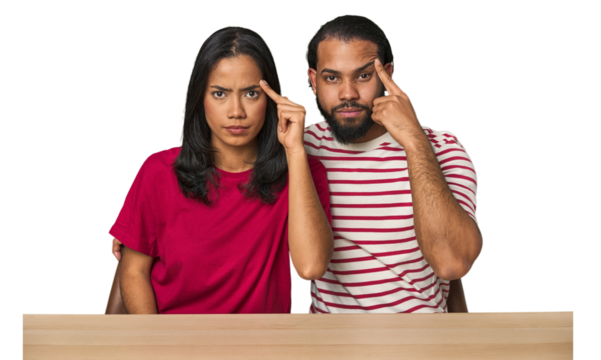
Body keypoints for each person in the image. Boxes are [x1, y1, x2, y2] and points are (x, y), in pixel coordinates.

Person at [104, 25, 333, 314]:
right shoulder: (157, 171)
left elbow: (310, 266)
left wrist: (296, 151)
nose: (236, 110)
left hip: (262, 347)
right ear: (201, 98)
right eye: (220, 94)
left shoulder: (302, 171)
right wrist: (157, 348)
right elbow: (134, 271)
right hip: (172, 346)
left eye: (251, 94)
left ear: (272, 99)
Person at [300, 14, 484, 313]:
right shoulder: (301, 147)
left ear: (387, 74)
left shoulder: (441, 147)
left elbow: (453, 263)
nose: (348, 93)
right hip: (329, 347)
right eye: (332, 78)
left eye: (363, 75)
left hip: (421, 348)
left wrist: (414, 141)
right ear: (313, 81)